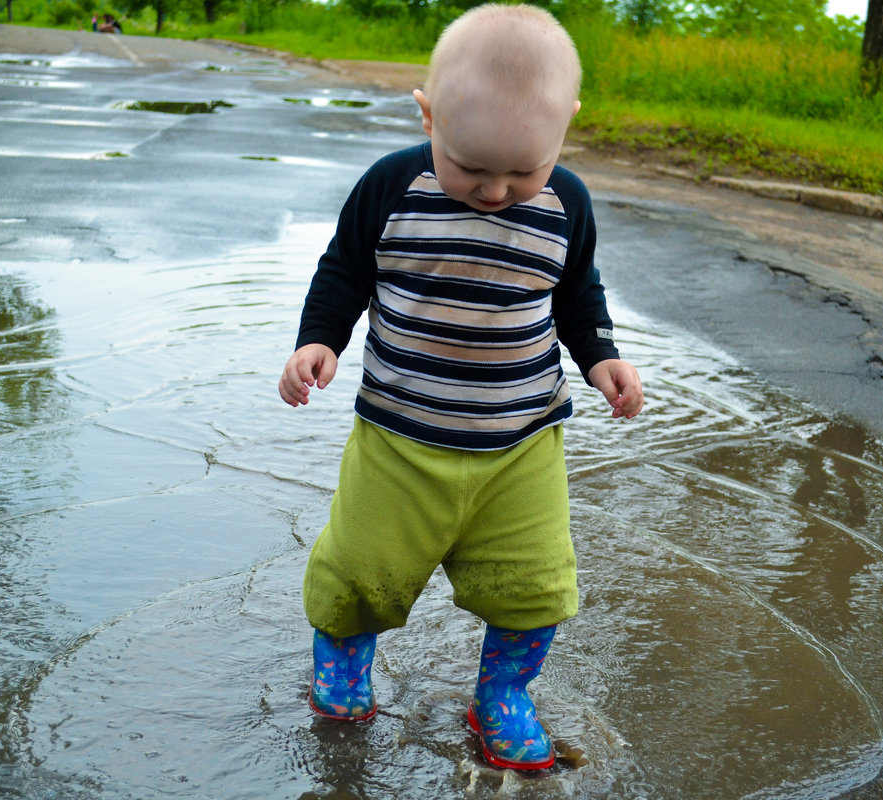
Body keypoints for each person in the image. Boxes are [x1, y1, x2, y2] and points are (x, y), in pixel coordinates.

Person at [278, 3, 644, 771]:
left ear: (566, 128)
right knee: (360, 572)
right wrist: (320, 340)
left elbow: (577, 293)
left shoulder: (565, 203)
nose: (494, 190)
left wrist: (601, 355)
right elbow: (345, 269)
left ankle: (503, 695)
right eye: (471, 168)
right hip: (400, 438)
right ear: (428, 113)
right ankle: (345, 664)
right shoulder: (391, 186)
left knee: (534, 583)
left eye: (522, 172)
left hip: (522, 444)